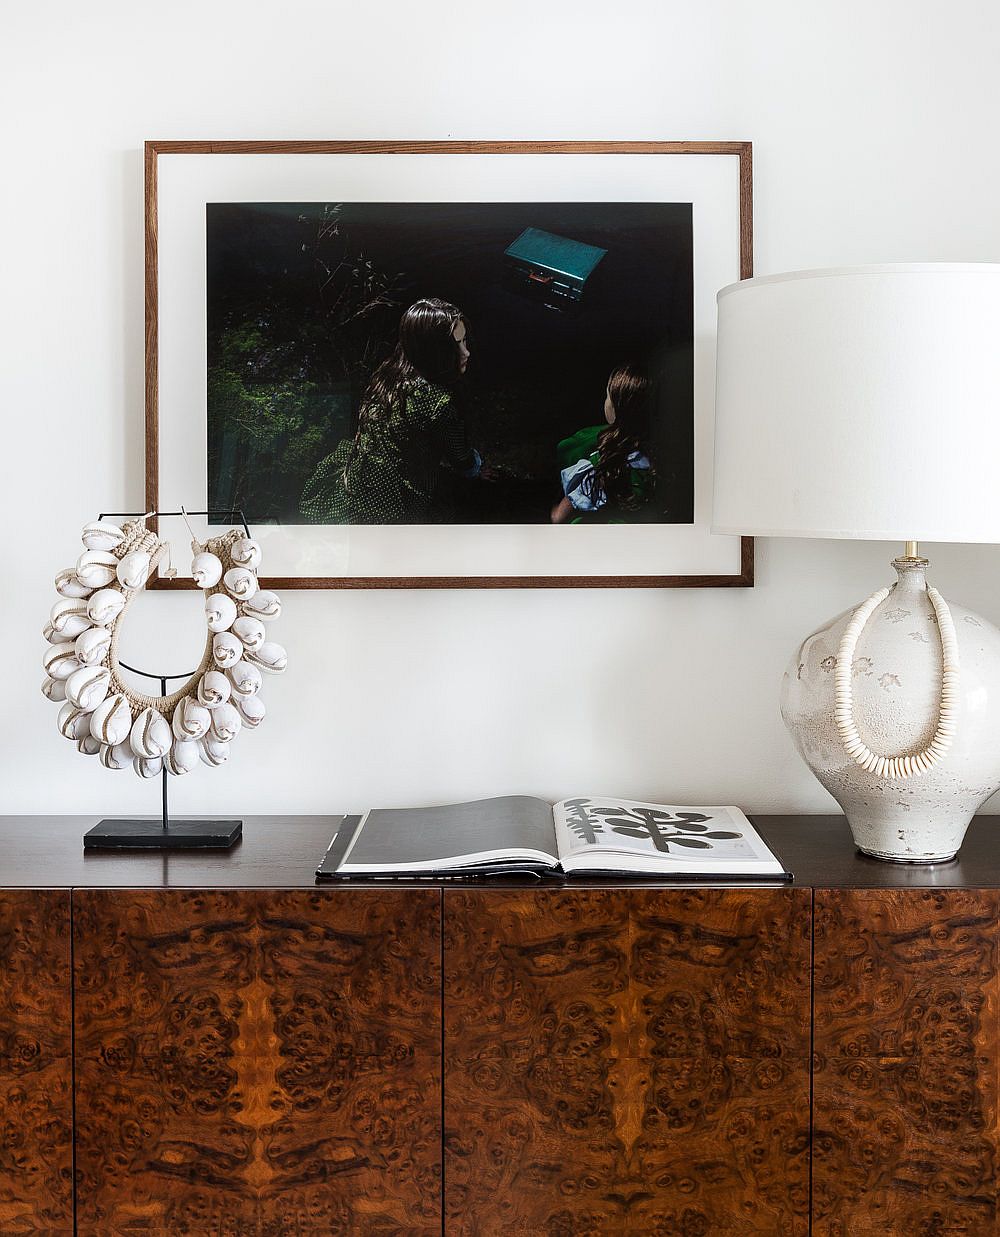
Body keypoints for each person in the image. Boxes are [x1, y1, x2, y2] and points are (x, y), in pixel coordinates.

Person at [300, 298, 487, 523]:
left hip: (358, 479)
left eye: (464, 341)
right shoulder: (438, 402)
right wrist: (475, 468)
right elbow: (458, 455)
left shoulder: (389, 374)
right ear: (433, 351)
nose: (466, 352)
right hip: (393, 501)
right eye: (454, 345)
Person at [551, 363, 656, 523]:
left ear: (615, 405)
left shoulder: (601, 461)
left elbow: (558, 517)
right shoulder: (663, 457)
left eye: (607, 395)